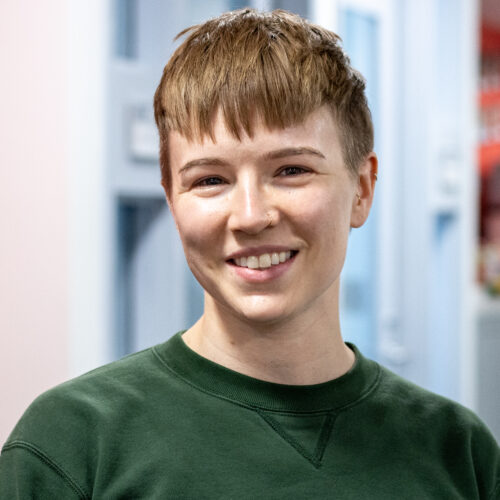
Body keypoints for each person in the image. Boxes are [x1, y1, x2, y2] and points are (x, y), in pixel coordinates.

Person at [1, 8, 499, 499]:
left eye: (291, 171)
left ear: (362, 189)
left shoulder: (458, 451)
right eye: (209, 180)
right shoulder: (72, 448)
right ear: (172, 200)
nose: (250, 215)